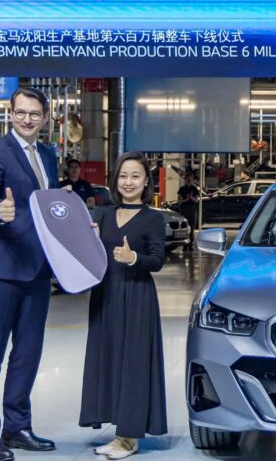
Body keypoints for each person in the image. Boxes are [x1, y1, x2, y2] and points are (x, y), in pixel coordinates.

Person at [0, 87, 59, 461]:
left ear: (44, 118)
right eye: (21, 112)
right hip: (0, 269)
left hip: (36, 268)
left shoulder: (48, 155)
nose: (27, 119)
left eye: (34, 113)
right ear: (11, 114)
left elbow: (49, 206)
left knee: (27, 354)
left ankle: (17, 427)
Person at [80, 152, 167, 460]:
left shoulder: (153, 218)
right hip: (106, 294)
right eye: (123, 176)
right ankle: (119, 432)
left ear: (146, 182)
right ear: (115, 180)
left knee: (134, 362)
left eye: (135, 176)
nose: (129, 182)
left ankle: (129, 438)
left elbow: (157, 260)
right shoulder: (102, 215)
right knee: (109, 359)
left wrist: (133, 258)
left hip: (137, 295)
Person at [176, 171, 200, 251]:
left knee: (192, 227)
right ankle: (185, 244)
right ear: (185, 179)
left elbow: (196, 200)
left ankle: (190, 244)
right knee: (185, 227)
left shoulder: (194, 189)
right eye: (187, 179)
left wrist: (191, 198)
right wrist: (186, 199)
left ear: (192, 179)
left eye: (190, 179)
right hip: (184, 208)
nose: (189, 180)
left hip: (192, 209)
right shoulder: (182, 189)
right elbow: (179, 201)